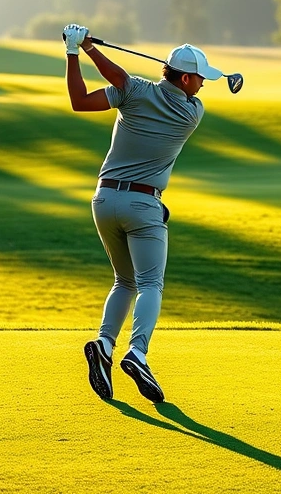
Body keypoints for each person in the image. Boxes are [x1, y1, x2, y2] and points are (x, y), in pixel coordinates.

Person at [63, 23, 223, 403]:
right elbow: (119, 76)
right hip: (143, 204)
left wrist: (76, 50)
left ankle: (104, 344)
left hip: (103, 201)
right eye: (200, 79)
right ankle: (137, 353)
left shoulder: (133, 92)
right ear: (185, 79)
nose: (202, 87)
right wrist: (88, 49)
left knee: (124, 281)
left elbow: (80, 100)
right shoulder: (191, 111)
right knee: (150, 284)